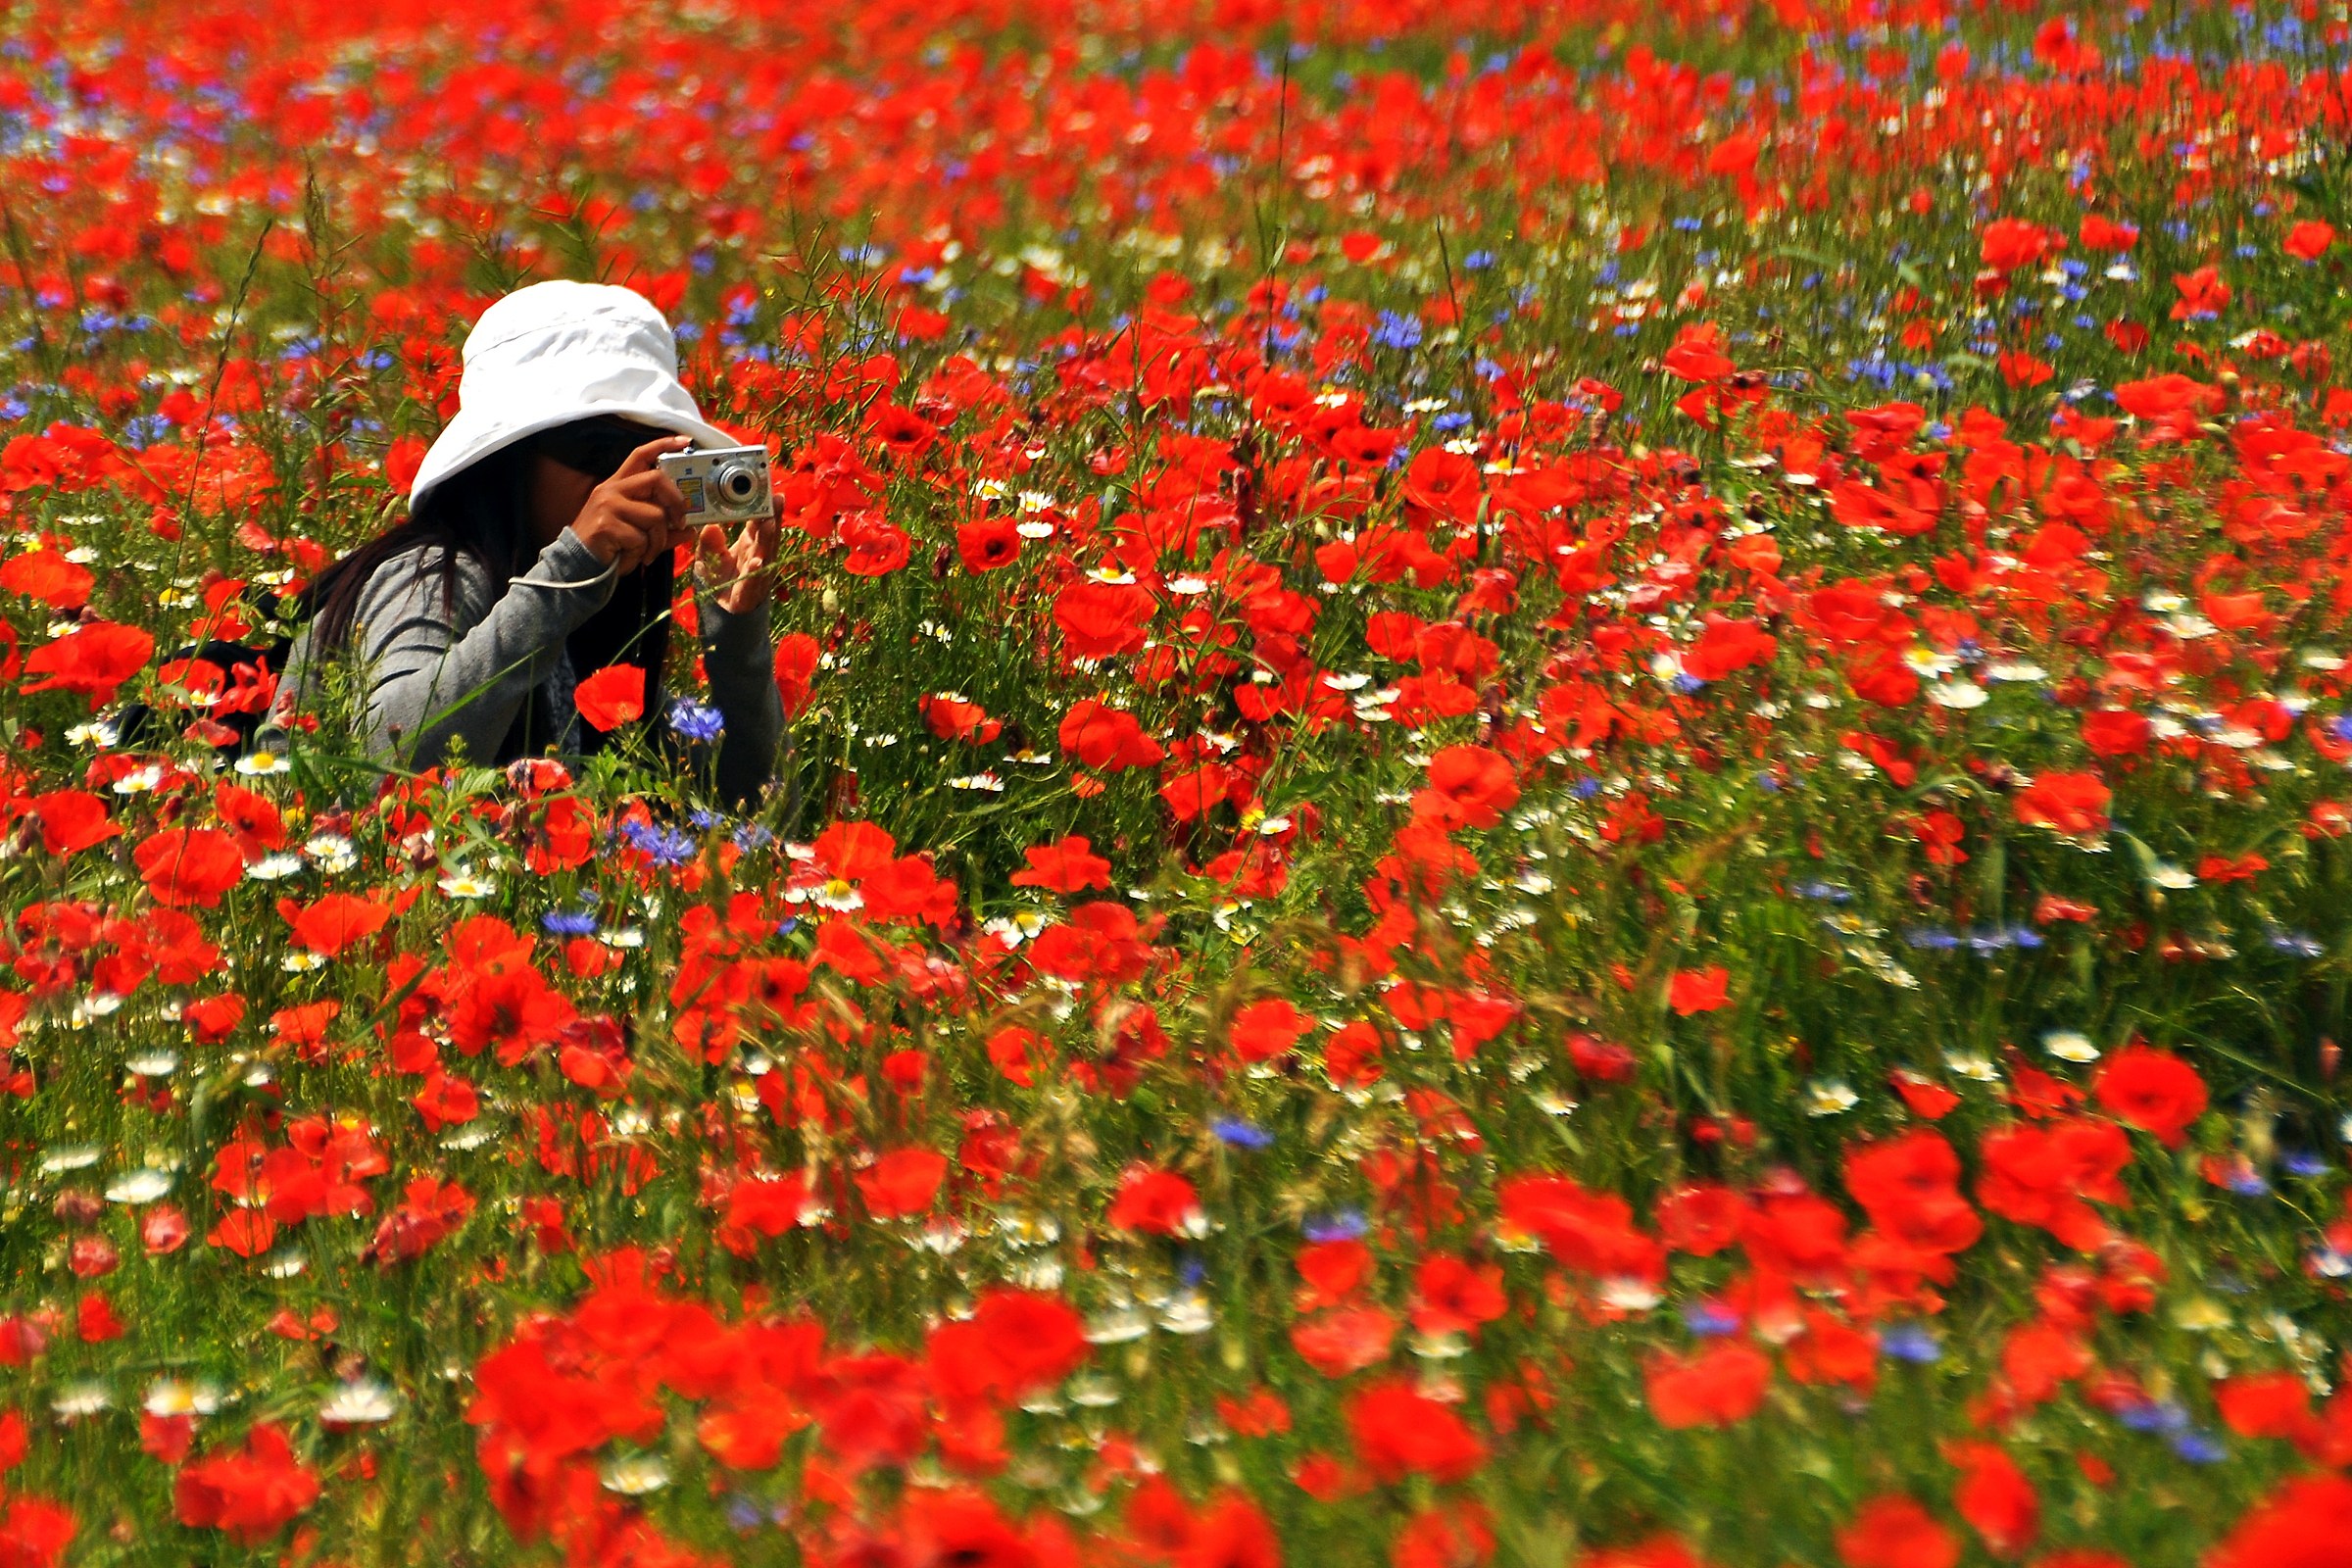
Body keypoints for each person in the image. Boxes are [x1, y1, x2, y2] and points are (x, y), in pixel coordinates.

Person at [269, 280, 785, 806]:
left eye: (658, 456)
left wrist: (736, 639)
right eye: (598, 449)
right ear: (510, 455)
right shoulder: (432, 577)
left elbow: (751, 808)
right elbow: (383, 770)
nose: (629, 478)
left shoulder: (592, 618)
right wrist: (569, 571)